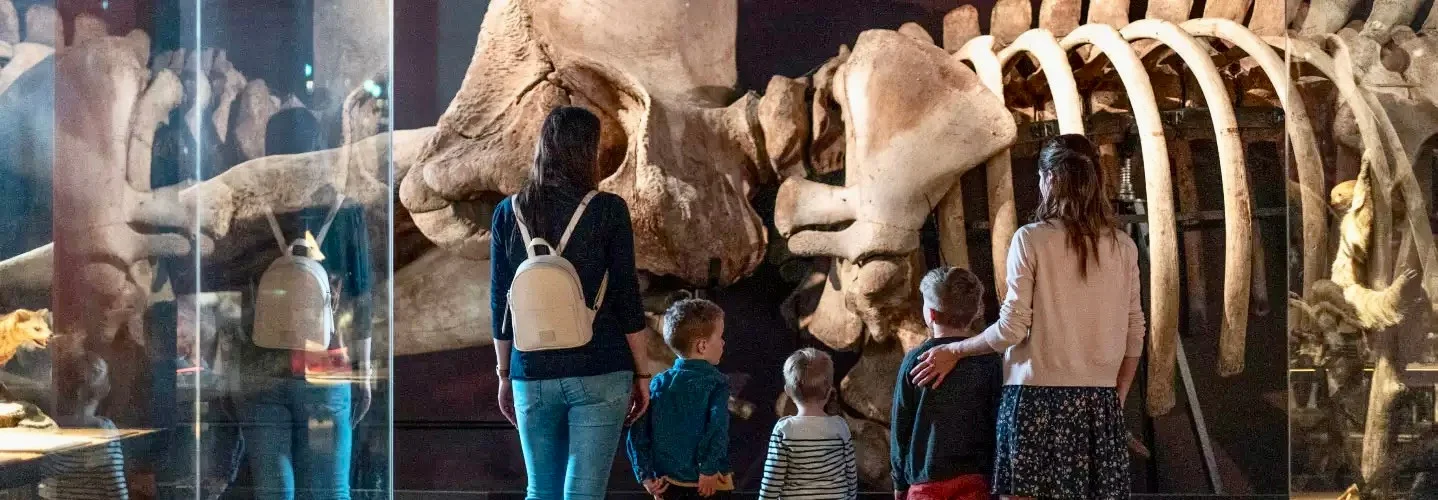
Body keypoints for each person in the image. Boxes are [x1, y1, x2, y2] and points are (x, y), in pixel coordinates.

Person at [909, 134, 1145, 499]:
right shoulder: (1123, 246)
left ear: (1049, 178)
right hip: (1098, 404)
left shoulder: (1030, 239)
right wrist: (1116, 397)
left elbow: (1011, 328)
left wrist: (954, 350)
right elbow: (1135, 331)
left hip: (1034, 401)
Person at [491, 106, 651, 499]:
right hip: (601, 366)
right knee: (584, 492)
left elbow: (500, 302)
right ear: (588, 151)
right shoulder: (608, 209)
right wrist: (643, 374)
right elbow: (627, 296)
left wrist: (504, 374)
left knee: (540, 489)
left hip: (531, 370)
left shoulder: (508, 212)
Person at [237, 107, 374, 500]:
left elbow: (237, 295)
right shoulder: (345, 209)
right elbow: (362, 298)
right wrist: (363, 372)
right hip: (324, 364)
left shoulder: (252, 211)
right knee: (328, 489)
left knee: (273, 491)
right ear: (319, 148)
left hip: (260, 366)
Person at [891, 267, 1001, 500]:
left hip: (925, 485)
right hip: (976, 481)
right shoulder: (990, 360)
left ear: (931, 314)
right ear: (976, 311)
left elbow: (901, 427)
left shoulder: (914, 360)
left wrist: (899, 481)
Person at [626, 299, 734, 499]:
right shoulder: (717, 383)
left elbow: (638, 430)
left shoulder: (658, 383)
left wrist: (645, 474)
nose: (723, 342)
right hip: (707, 483)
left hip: (666, 483)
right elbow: (718, 426)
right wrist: (709, 468)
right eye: (720, 337)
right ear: (702, 346)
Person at [759, 348, 858, 499]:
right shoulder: (840, 426)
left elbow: (772, 479)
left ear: (788, 391)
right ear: (829, 392)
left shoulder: (784, 429)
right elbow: (851, 472)